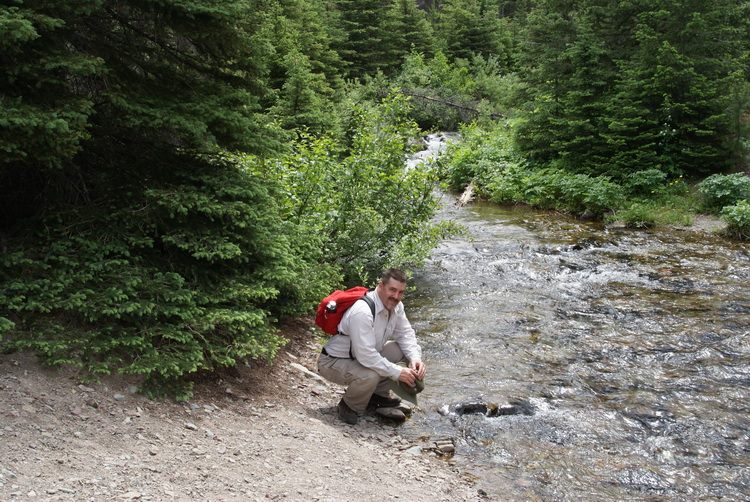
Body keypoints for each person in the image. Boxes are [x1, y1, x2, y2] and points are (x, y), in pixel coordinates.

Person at [317, 268, 427, 425]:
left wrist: (415, 358)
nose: (396, 296)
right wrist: (398, 372)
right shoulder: (362, 312)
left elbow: (405, 334)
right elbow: (366, 356)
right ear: (381, 286)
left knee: (401, 348)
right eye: (392, 290)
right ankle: (349, 406)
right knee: (370, 375)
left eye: (400, 292)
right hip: (333, 362)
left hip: (361, 357)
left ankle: (377, 396)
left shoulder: (397, 306)